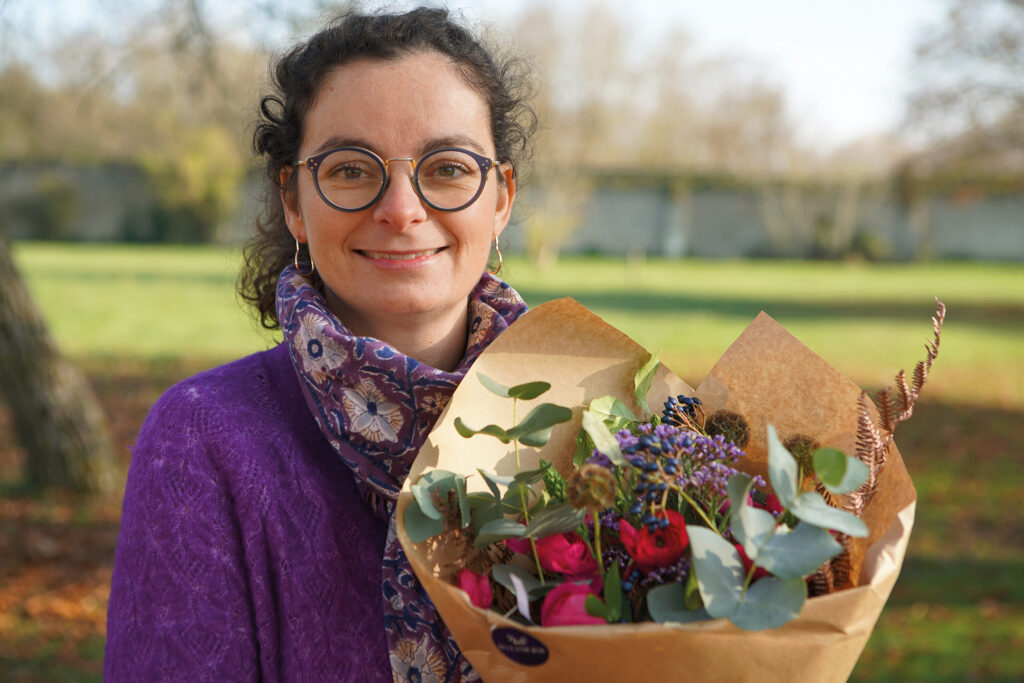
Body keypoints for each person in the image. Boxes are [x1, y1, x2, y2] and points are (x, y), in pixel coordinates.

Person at [105, 7, 537, 681]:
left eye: (448, 166)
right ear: (295, 201)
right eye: (350, 169)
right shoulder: (203, 439)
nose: (402, 208)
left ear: (501, 197)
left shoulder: (592, 425)